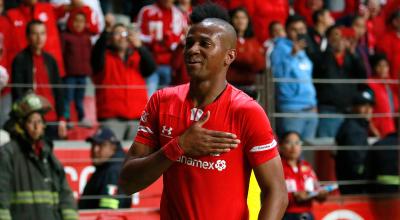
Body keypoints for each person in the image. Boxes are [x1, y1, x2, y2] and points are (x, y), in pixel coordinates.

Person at [119, 3, 288, 219]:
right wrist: (178, 146)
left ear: (229, 56)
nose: (192, 49)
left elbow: (277, 193)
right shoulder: (161, 101)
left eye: (204, 44)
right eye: (189, 43)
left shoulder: (247, 111)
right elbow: (126, 183)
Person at [0, 91, 78, 220]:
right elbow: (1, 195)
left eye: (39, 121)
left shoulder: (48, 155)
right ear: (21, 125)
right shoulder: (8, 154)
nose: (37, 127)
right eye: (31, 122)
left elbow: (65, 194)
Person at [91, 15, 156, 140]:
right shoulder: (103, 58)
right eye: (117, 33)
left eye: (124, 33)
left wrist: (140, 46)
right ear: (110, 39)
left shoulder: (137, 56)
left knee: (138, 159)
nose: (122, 37)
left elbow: (151, 68)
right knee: (112, 158)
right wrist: (106, 31)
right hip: (111, 120)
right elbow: (96, 53)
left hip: (137, 120)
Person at [11, 20, 67, 140]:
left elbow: (59, 92)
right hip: (31, 121)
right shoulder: (20, 60)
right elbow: (18, 92)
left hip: (51, 119)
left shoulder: (51, 60)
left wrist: (62, 118)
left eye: (42, 33)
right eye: (35, 33)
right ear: (27, 36)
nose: (39, 38)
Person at [271, 14, 318, 141]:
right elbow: (277, 75)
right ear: (286, 30)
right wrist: (292, 54)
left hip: (310, 107)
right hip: (291, 108)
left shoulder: (303, 49)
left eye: (302, 29)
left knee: (307, 155)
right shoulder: (280, 48)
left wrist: (313, 104)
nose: (298, 33)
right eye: (294, 29)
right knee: (291, 152)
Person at [314, 25, 367, 138]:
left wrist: (353, 53)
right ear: (328, 38)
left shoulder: (351, 57)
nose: (339, 39)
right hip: (329, 110)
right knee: (327, 149)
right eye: (335, 35)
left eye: (342, 36)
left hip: (349, 110)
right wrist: (329, 49)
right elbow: (320, 68)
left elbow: (362, 75)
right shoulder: (322, 55)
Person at [137, 0, 187, 97]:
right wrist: (154, 39)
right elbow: (138, 35)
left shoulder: (179, 15)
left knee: (166, 100)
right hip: (150, 63)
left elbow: (183, 38)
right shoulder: (146, 11)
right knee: (149, 98)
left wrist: (169, 40)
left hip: (170, 65)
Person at [6, 0, 66, 77]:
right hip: (24, 70)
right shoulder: (11, 15)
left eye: (42, 33)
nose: (39, 38)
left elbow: (73, 7)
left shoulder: (48, 8)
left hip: (51, 70)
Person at [79, 127, 131, 209]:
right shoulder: (105, 168)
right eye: (93, 145)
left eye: (101, 145)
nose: (95, 149)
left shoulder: (113, 172)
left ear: (113, 147)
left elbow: (109, 211)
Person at [280, 131, 328, 220]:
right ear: (281, 146)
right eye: (288, 142)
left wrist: (321, 194)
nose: (293, 146)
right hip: (286, 215)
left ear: (301, 147)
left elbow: (316, 188)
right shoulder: (278, 168)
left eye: (297, 143)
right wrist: (294, 196)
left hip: (308, 215)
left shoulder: (307, 166)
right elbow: (272, 194)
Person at [335, 87, 375, 194]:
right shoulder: (353, 130)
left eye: (370, 106)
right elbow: (357, 165)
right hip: (355, 187)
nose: (368, 110)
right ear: (353, 108)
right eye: (363, 106)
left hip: (354, 185)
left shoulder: (357, 127)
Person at [61, 11, 94, 127]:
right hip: (69, 74)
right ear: (70, 22)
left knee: (79, 98)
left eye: (82, 22)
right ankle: (67, 119)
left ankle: (81, 117)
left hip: (83, 74)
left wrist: (89, 70)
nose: (78, 24)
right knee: (68, 98)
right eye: (76, 21)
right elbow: (62, 54)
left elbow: (90, 54)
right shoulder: (65, 36)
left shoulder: (87, 37)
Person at [227, 7, 265, 100]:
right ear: (231, 20)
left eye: (243, 17)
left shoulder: (253, 41)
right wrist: (249, 58)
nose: (240, 21)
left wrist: (244, 57)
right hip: (231, 86)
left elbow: (260, 65)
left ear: (248, 20)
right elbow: (237, 59)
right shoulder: (227, 39)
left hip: (250, 87)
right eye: (237, 17)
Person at [368, 53, 398, 138]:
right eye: (379, 66)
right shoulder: (370, 84)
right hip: (377, 133)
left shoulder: (391, 85)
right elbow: (367, 111)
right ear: (374, 68)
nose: (383, 69)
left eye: (385, 66)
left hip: (392, 131)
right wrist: (375, 131)